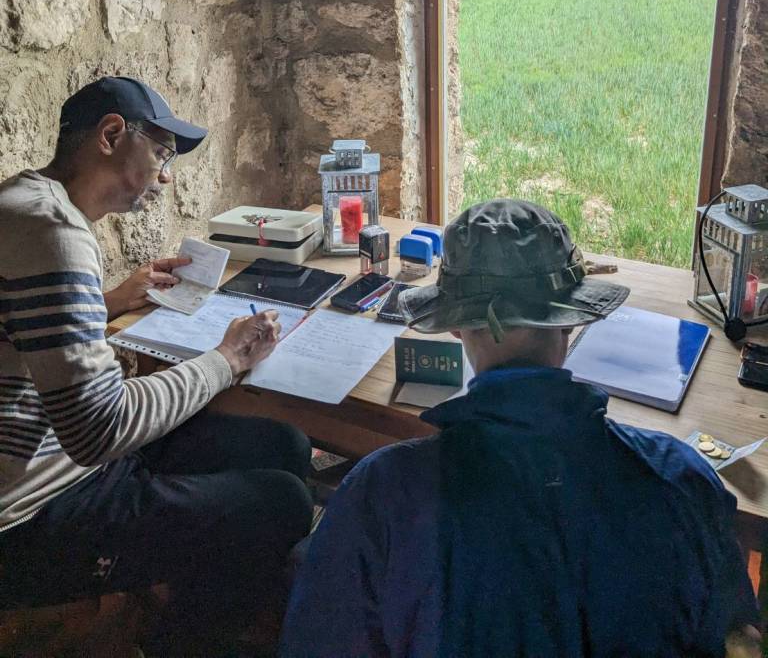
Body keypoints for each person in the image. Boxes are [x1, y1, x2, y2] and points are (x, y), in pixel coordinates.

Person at [281, 199, 761, 658]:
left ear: (455, 325)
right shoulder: (682, 479)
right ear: (571, 322)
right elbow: (735, 635)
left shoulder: (381, 495)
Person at [0, 76, 313, 656]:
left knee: (285, 446)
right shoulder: (53, 232)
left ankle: (198, 598)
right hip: (31, 511)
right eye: (163, 154)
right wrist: (228, 359)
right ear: (111, 135)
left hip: (64, 458)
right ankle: (184, 642)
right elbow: (101, 429)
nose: (166, 176)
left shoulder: (24, 201)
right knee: (283, 503)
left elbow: (28, 335)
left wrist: (110, 301)